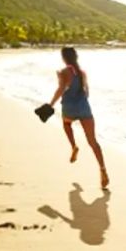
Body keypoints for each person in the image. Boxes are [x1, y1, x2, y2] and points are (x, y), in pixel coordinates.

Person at [49, 47, 109, 189]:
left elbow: (61, 89)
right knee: (93, 142)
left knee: (66, 123)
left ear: (64, 58)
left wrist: (51, 104)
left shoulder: (63, 72)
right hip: (84, 108)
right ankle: (102, 169)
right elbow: (87, 92)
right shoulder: (82, 73)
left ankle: (74, 146)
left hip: (69, 107)